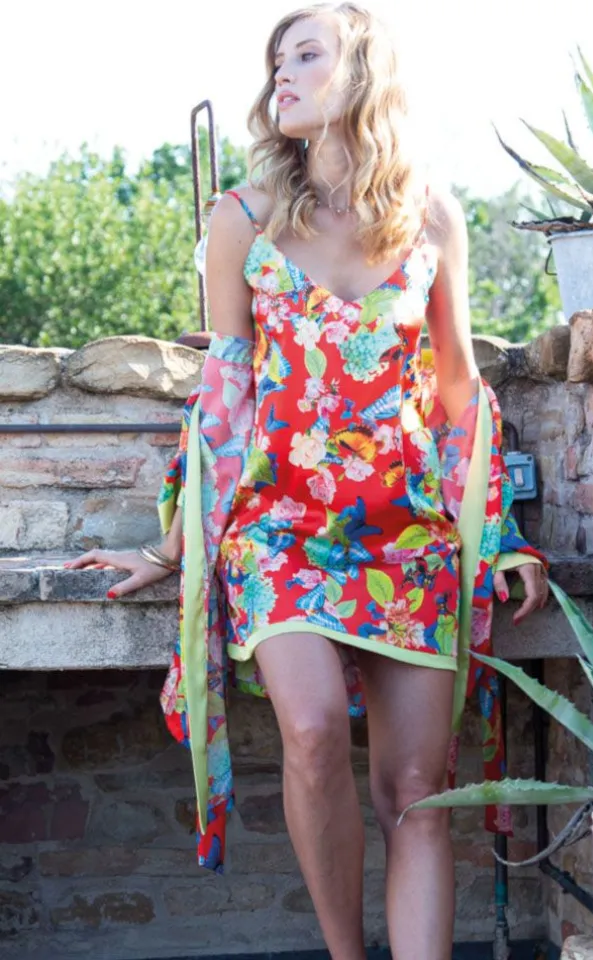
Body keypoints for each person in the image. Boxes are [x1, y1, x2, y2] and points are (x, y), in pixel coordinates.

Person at [66, 4, 549, 958]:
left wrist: (498, 537)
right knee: (317, 732)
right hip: (280, 530)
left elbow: (459, 394)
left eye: (306, 54)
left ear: (363, 73)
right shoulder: (241, 220)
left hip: (408, 533)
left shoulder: (431, 216)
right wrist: (171, 547)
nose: (280, 75)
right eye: (276, 60)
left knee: (418, 789)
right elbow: (225, 396)